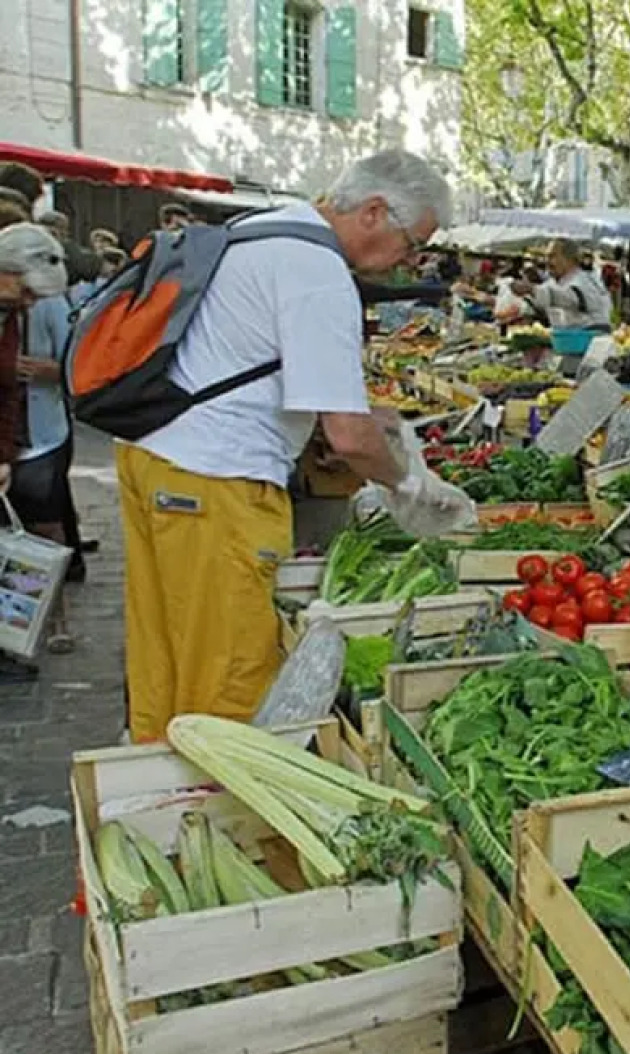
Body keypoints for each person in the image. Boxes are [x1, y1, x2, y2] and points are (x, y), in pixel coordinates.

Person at [116, 149, 471, 742]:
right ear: (375, 212)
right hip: (216, 484)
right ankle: (218, 812)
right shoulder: (319, 272)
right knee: (229, 679)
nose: (411, 262)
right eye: (413, 244)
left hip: (157, 459)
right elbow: (349, 436)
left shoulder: (264, 228)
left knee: (164, 658)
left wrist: (376, 420)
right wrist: (409, 485)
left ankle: (159, 793)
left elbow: (264, 365)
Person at [0, 223, 69, 682]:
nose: (28, 305)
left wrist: (3, 454)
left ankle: (11, 637)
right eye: (24, 292)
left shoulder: (7, 315)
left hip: (32, 438)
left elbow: (5, 392)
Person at [11, 286, 77, 651]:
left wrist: (49, 370)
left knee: (44, 531)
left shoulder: (50, 302)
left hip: (42, 437)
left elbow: (76, 364)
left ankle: (53, 619)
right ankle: (16, 622)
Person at [516, 239, 612, 329]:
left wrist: (532, 289)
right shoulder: (554, 282)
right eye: (546, 257)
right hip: (564, 339)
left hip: (590, 339)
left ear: (569, 259)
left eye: (551, 256)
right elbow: (536, 301)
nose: (547, 261)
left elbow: (569, 298)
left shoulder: (585, 281)